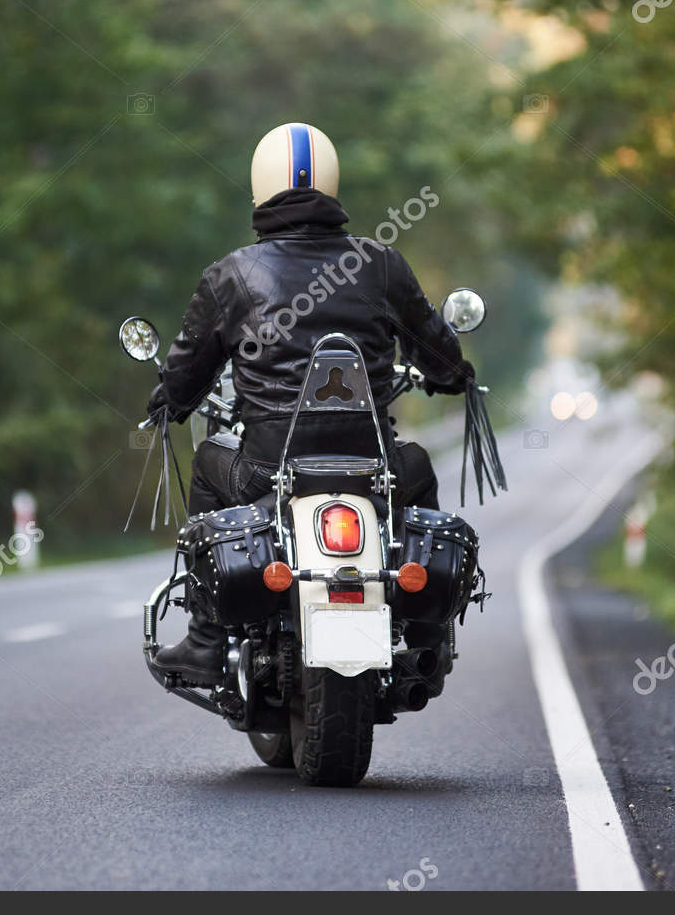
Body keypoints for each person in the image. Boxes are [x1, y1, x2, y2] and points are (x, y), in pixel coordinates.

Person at [147, 122, 473, 683]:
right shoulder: (381, 264)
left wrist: (169, 401)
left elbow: (187, 369)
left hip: (267, 468)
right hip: (373, 468)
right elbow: (437, 351)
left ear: (259, 185)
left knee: (207, 464)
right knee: (416, 469)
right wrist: (453, 375)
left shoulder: (232, 275)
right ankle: (426, 633)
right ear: (332, 185)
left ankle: (205, 638)